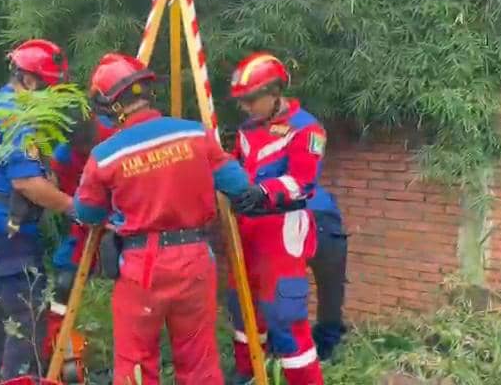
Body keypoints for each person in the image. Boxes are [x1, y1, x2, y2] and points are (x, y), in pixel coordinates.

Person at [73, 53, 267, 385]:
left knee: (136, 365)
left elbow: (86, 212)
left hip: (141, 267)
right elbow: (239, 187)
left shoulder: (105, 155)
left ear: (112, 106)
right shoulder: (195, 135)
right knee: (199, 364)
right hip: (194, 261)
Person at [0, 39, 75, 384]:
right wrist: (72, 207)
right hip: (6, 232)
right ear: (30, 81)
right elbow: (27, 184)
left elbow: (31, 171)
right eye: (49, 86)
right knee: (25, 319)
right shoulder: (19, 118)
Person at [225, 52, 326, 385]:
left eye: (252, 100)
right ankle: (248, 372)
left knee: (285, 316)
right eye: (243, 101)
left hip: (282, 232)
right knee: (243, 309)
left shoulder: (305, 128)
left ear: (275, 91)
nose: (247, 107)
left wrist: (262, 193)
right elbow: (237, 166)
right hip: (246, 230)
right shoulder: (247, 129)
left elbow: (302, 182)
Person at [45, 112, 118, 357]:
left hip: (125, 220)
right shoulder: (64, 158)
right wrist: (80, 214)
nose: (87, 152)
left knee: (128, 270)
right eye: (82, 149)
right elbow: (62, 197)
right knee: (65, 279)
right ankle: (57, 348)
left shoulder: (116, 137)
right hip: (86, 221)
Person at [306, 191, 348, 361]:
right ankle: (328, 346)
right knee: (331, 290)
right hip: (330, 223)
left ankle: (278, 346)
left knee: (280, 286)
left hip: (297, 216)